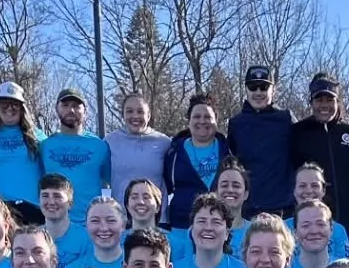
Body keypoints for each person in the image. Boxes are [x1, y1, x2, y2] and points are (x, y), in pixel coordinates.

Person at [0, 81, 48, 226]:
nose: (9, 108)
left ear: (22, 108)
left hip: (31, 209)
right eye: (4, 103)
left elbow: (51, 167)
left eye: (15, 104)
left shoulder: (37, 136)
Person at [289, 73, 349, 226]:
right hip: (313, 221)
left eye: (329, 100)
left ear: (337, 102)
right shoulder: (298, 132)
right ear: (311, 102)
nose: (324, 105)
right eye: (319, 100)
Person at [226, 64, 295, 217]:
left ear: (273, 90)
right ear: (246, 90)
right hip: (247, 209)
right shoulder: (236, 124)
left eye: (263, 87)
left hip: (282, 208)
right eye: (253, 87)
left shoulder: (286, 119)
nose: (258, 92)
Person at [40, 86, 111, 221]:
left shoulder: (100, 146)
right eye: (65, 105)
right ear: (57, 109)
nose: (71, 110)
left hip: (90, 222)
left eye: (76, 106)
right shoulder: (45, 146)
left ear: (85, 111)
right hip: (54, 221)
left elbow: (110, 183)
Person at [164, 191, 248, 268]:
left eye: (216, 222)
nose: (208, 228)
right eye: (202, 221)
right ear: (192, 230)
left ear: (227, 234)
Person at [162, 92, 228, 232]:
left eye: (207, 117)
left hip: (220, 227)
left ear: (216, 120)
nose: (202, 121)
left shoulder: (228, 150)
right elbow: (166, 186)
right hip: (182, 227)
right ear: (189, 121)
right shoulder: (174, 152)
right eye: (197, 117)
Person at [106, 93, 170, 206]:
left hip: (156, 214)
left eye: (140, 112)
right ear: (123, 115)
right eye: (129, 111)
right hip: (121, 213)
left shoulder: (164, 142)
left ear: (148, 116)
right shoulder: (110, 141)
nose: (135, 116)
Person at [61, 196, 130, 268]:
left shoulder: (138, 267)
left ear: (123, 225)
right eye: (95, 221)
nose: (104, 228)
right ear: (86, 225)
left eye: (111, 220)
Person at [288, 163, 349, 258]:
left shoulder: (338, 230)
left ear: (323, 190)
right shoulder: (282, 228)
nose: (309, 191)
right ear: (294, 190)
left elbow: (344, 263)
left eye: (315, 185)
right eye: (302, 186)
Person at [37, 174, 92, 268]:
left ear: (70, 203)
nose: (51, 202)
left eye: (57, 196)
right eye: (45, 196)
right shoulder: (33, 237)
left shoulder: (86, 239)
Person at [288, 200, 337, 268]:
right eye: (305, 226)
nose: (314, 231)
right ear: (295, 233)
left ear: (331, 230)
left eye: (320, 224)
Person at [212, 159, 252, 243]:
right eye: (224, 185)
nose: (230, 190)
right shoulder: (203, 229)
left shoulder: (254, 231)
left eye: (236, 186)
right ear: (216, 193)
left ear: (246, 194)